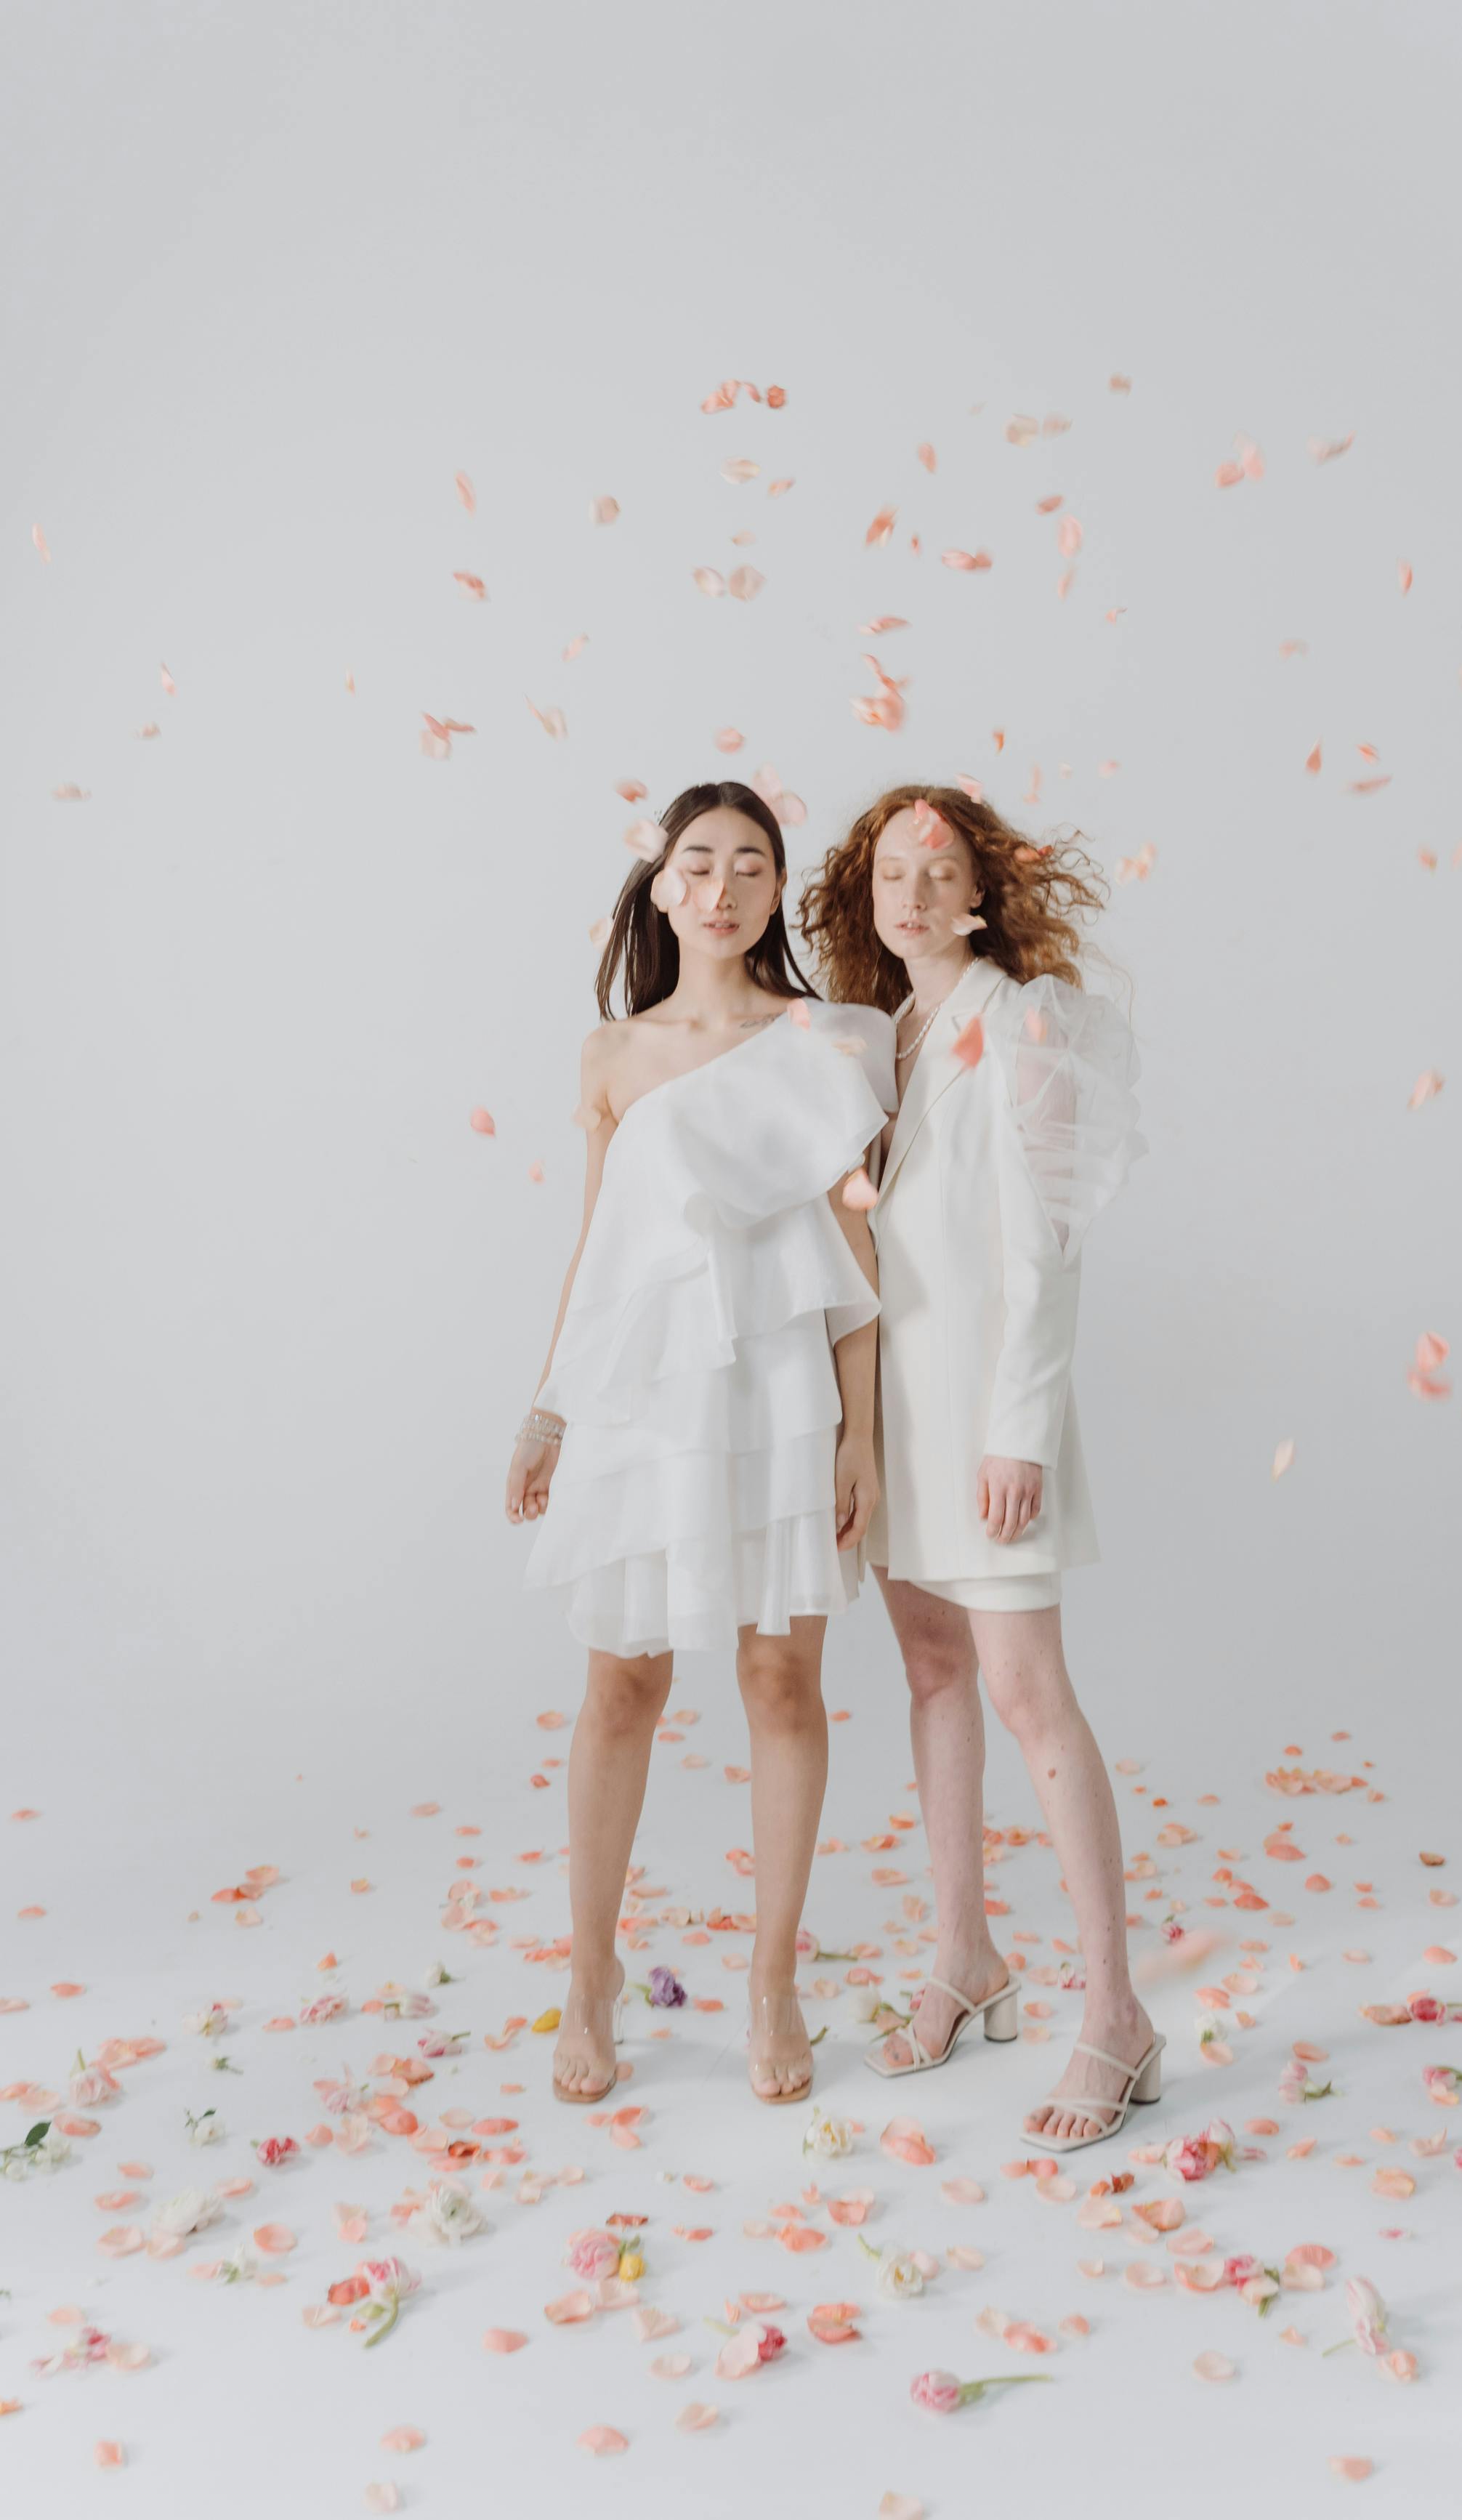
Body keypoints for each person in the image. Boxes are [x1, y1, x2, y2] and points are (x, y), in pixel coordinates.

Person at [507, 781, 894, 2109]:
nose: (720, 886)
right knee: (625, 1679)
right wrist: (551, 1407)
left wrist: (863, 1434)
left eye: (748, 864)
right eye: (696, 863)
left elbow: (855, 1237)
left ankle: (773, 1979)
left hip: (781, 1388)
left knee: (781, 1677)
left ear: (775, 889)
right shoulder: (612, 1056)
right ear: (661, 885)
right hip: (649, 1397)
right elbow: (598, 1249)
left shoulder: (822, 1040)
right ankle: (589, 1974)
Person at [799, 782, 1161, 2153]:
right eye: (886, 869)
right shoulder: (881, 1038)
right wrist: (856, 1433)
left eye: (932, 866)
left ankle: (1115, 2010)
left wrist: (1019, 1428)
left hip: (991, 1420)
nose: (906, 890)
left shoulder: (1027, 1025)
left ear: (979, 888)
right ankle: (967, 1955)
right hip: (902, 1412)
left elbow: (1048, 1251)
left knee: (1026, 1692)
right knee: (933, 1674)